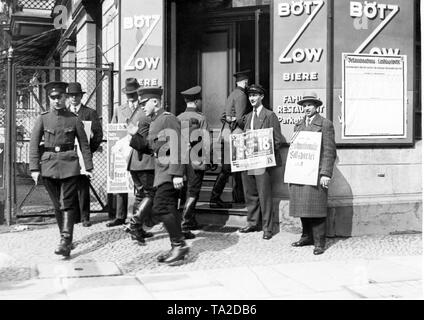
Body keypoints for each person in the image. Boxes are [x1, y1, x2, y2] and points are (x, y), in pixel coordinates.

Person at [29, 81, 93, 257]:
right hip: (48, 166)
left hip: (69, 164)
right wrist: (34, 168)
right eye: (53, 97)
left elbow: (84, 144)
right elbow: (33, 145)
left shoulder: (74, 118)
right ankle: (65, 238)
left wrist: (88, 166)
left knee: (66, 202)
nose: (57, 100)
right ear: (49, 99)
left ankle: (65, 240)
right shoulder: (43, 118)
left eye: (60, 97)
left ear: (65, 97)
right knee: (58, 205)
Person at [129, 87, 190, 265]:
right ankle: (177, 246)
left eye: (144, 104)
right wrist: (134, 136)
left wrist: (178, 173)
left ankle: (179, 245)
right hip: (161, 171)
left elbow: (179, 144)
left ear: (154, 101)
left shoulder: (168, 119)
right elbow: (150, 148)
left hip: (170, 172)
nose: (142, 108)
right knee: (167, 208)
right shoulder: (155, 121)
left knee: (162, 207)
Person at [289, 92, 337, 255]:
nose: (306, 108)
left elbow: (329, 151)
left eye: (310, 105)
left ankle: (319, 242)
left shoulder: (325, 124)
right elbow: (294, 151)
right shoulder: (298, 125)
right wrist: (291, 173)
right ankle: (306, 236)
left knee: (316, 209)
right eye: (304, 105)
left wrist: (326, 174)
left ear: (317, 107)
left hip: (316, 173)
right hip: (301, 173)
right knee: (303, 206)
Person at [238, 84, 284, 240]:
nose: (252, 98)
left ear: (262, 97)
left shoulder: (270, 115)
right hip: (247, 162)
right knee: (250, 193)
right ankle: (252, 222)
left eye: (255, 95)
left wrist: (264, 152)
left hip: (262, 163)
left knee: (264, 195)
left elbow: (277, 140)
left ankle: (267, 228)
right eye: (250, 96)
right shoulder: (247, 117)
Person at [210, 70, 251, 208]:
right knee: (229, 169)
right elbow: (240, 119)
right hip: (235, 134)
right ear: (245, 82)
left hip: (226, 133)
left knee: (233, 169)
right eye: (247, 82)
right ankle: (214, 198)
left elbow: (224, 116)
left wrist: (230, 118)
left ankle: (238, 198)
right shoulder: (241, 95)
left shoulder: (232, 94)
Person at [122, 84, 158, 243]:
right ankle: (135, 223)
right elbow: (146, 142)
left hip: (135, 162)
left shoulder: (136, 114)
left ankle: (137, 228)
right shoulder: (148, 117)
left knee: (140, 194)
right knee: (151, 194)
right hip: (146, 162)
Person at [67, 82, 103, 227]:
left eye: (76, 95)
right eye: (71, 96)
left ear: (81, 96)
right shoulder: (65, 113)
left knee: (83, 186)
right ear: (68, 97)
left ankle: (85, 217)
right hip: (68, 156)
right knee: (70, 186)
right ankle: (73, 216)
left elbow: (98, 134)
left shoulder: (89, 113)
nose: (74, 98)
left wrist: (88, 150)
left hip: (83, 155)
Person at [107, 78, 142, 227]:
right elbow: (113, 128)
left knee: (140, 184)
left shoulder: (143, 109)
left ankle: (140, 216)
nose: (130, 96)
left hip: (139, 150)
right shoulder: (119, 109)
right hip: (123, 150)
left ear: (138, 93)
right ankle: (120, 216)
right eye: (128, 93)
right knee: (121, 183)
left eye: (133, 93)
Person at [177, 85, 210, 239]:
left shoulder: (178, 118)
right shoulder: (201, 118)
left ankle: (190, 220)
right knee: (193, 192)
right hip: (196, 160)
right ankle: (185, 225)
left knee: (184, 192)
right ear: (197, 101)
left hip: (181, 162)